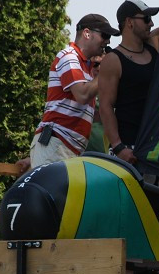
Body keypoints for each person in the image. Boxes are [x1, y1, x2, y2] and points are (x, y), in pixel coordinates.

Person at [30, 14, 118, 167]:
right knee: (52, 192)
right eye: (105, 35)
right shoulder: (69, 56)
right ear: (87, 33)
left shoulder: (88, 67)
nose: (108, 41)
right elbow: (82, 94)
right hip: (57, 144)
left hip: (66, 148)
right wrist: (107, 70)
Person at [99, 0, 159, 165]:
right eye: (147, 18)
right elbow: (106, 106)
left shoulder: (152, 47)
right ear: (129, 22)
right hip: (129, 149)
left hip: (157, 146)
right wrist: (119, 147)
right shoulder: (113, 60)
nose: (151, 23)